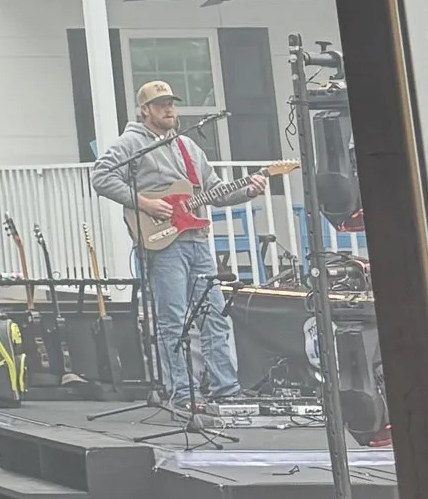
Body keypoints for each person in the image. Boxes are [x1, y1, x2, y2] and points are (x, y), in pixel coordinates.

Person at [90, 81, 291, 409]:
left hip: (197, 241)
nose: (169, 109)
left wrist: (249, 190)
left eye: (171, 103)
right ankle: (182, 393)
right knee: (173, 319)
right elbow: (101, 177)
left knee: (213, 314)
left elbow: (215, 190)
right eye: (161, 104)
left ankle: (225, 389)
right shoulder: (130, 144)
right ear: (145, 110)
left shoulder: (188, 147)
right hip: (163, 244)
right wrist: (145, 203)